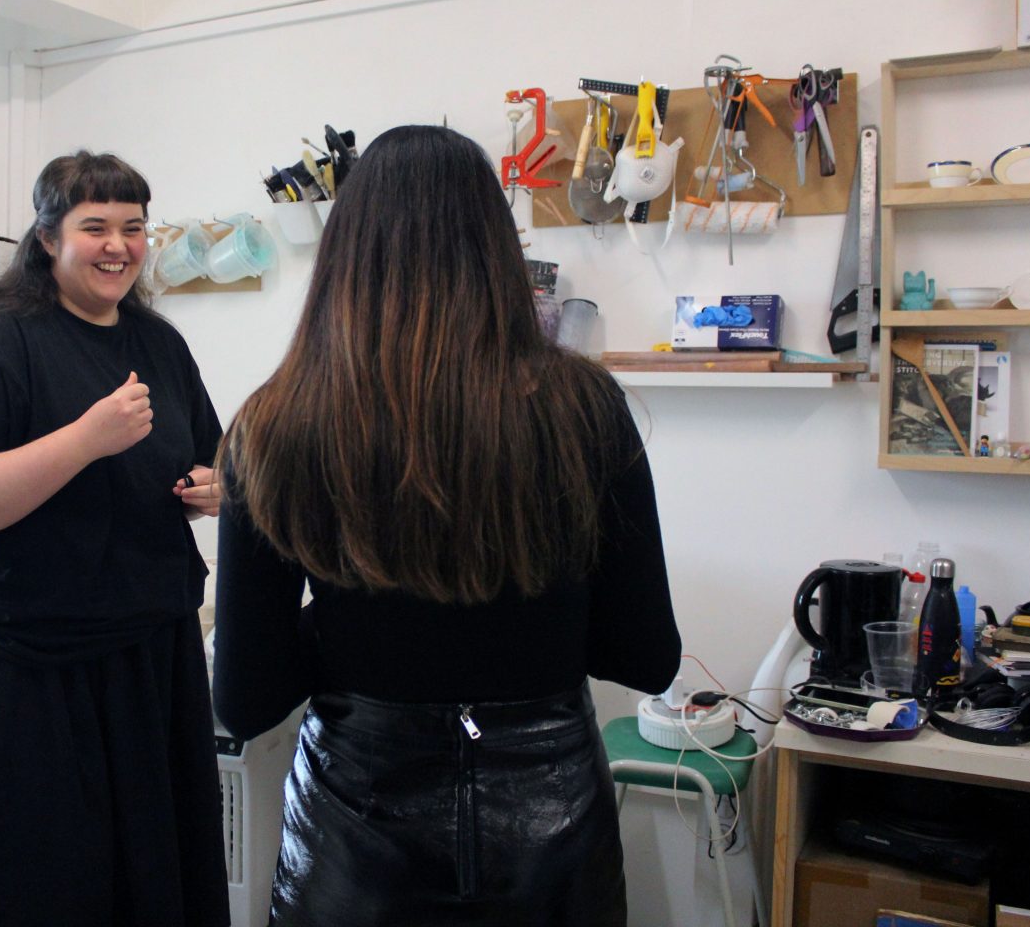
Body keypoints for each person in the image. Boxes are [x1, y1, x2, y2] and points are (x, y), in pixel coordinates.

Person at [211, 125, 682, 926]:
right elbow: (645, 656)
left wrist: (354, 622)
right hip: (550, 846)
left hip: (353, 854)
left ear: (345, 256)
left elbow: (246, 697)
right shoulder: (585, 411)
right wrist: (531, 608)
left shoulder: (276, 424)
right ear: (496, 250)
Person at [0, 151, 229, 926]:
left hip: (150, 647)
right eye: (95, 227)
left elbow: (199, 460)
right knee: (48, 879)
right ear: (49, 238)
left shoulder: (158, 344)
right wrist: (83, 439)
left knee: (155, 869)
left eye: (133, 227)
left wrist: (208, 490)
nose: (118, 246)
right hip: (32, 661)